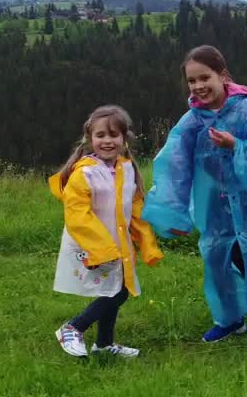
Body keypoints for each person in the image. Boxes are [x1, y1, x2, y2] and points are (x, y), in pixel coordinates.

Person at [143, 45, 247, 342]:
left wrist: (236, 145)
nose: (198, 86)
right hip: (215, 202)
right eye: (191, 81)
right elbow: (175, 167)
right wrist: (174, 211)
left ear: (222, 75)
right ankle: (229, 318)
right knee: (215, 256)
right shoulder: (193, 122)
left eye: (204, 77)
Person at [49, 105, 163, 358]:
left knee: (114, 288)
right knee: (118, 291)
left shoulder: (126, 168)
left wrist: (146, 242)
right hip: (91, 244)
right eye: (100, 135)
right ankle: (73, 327)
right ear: (90, 139)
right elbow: (78, 215)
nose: (107, 141)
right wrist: (100, 248)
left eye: (113, 135)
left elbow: (135, 207)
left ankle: (103, 344)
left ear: (124, 138)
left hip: (118, 243)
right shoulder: (84, 173)